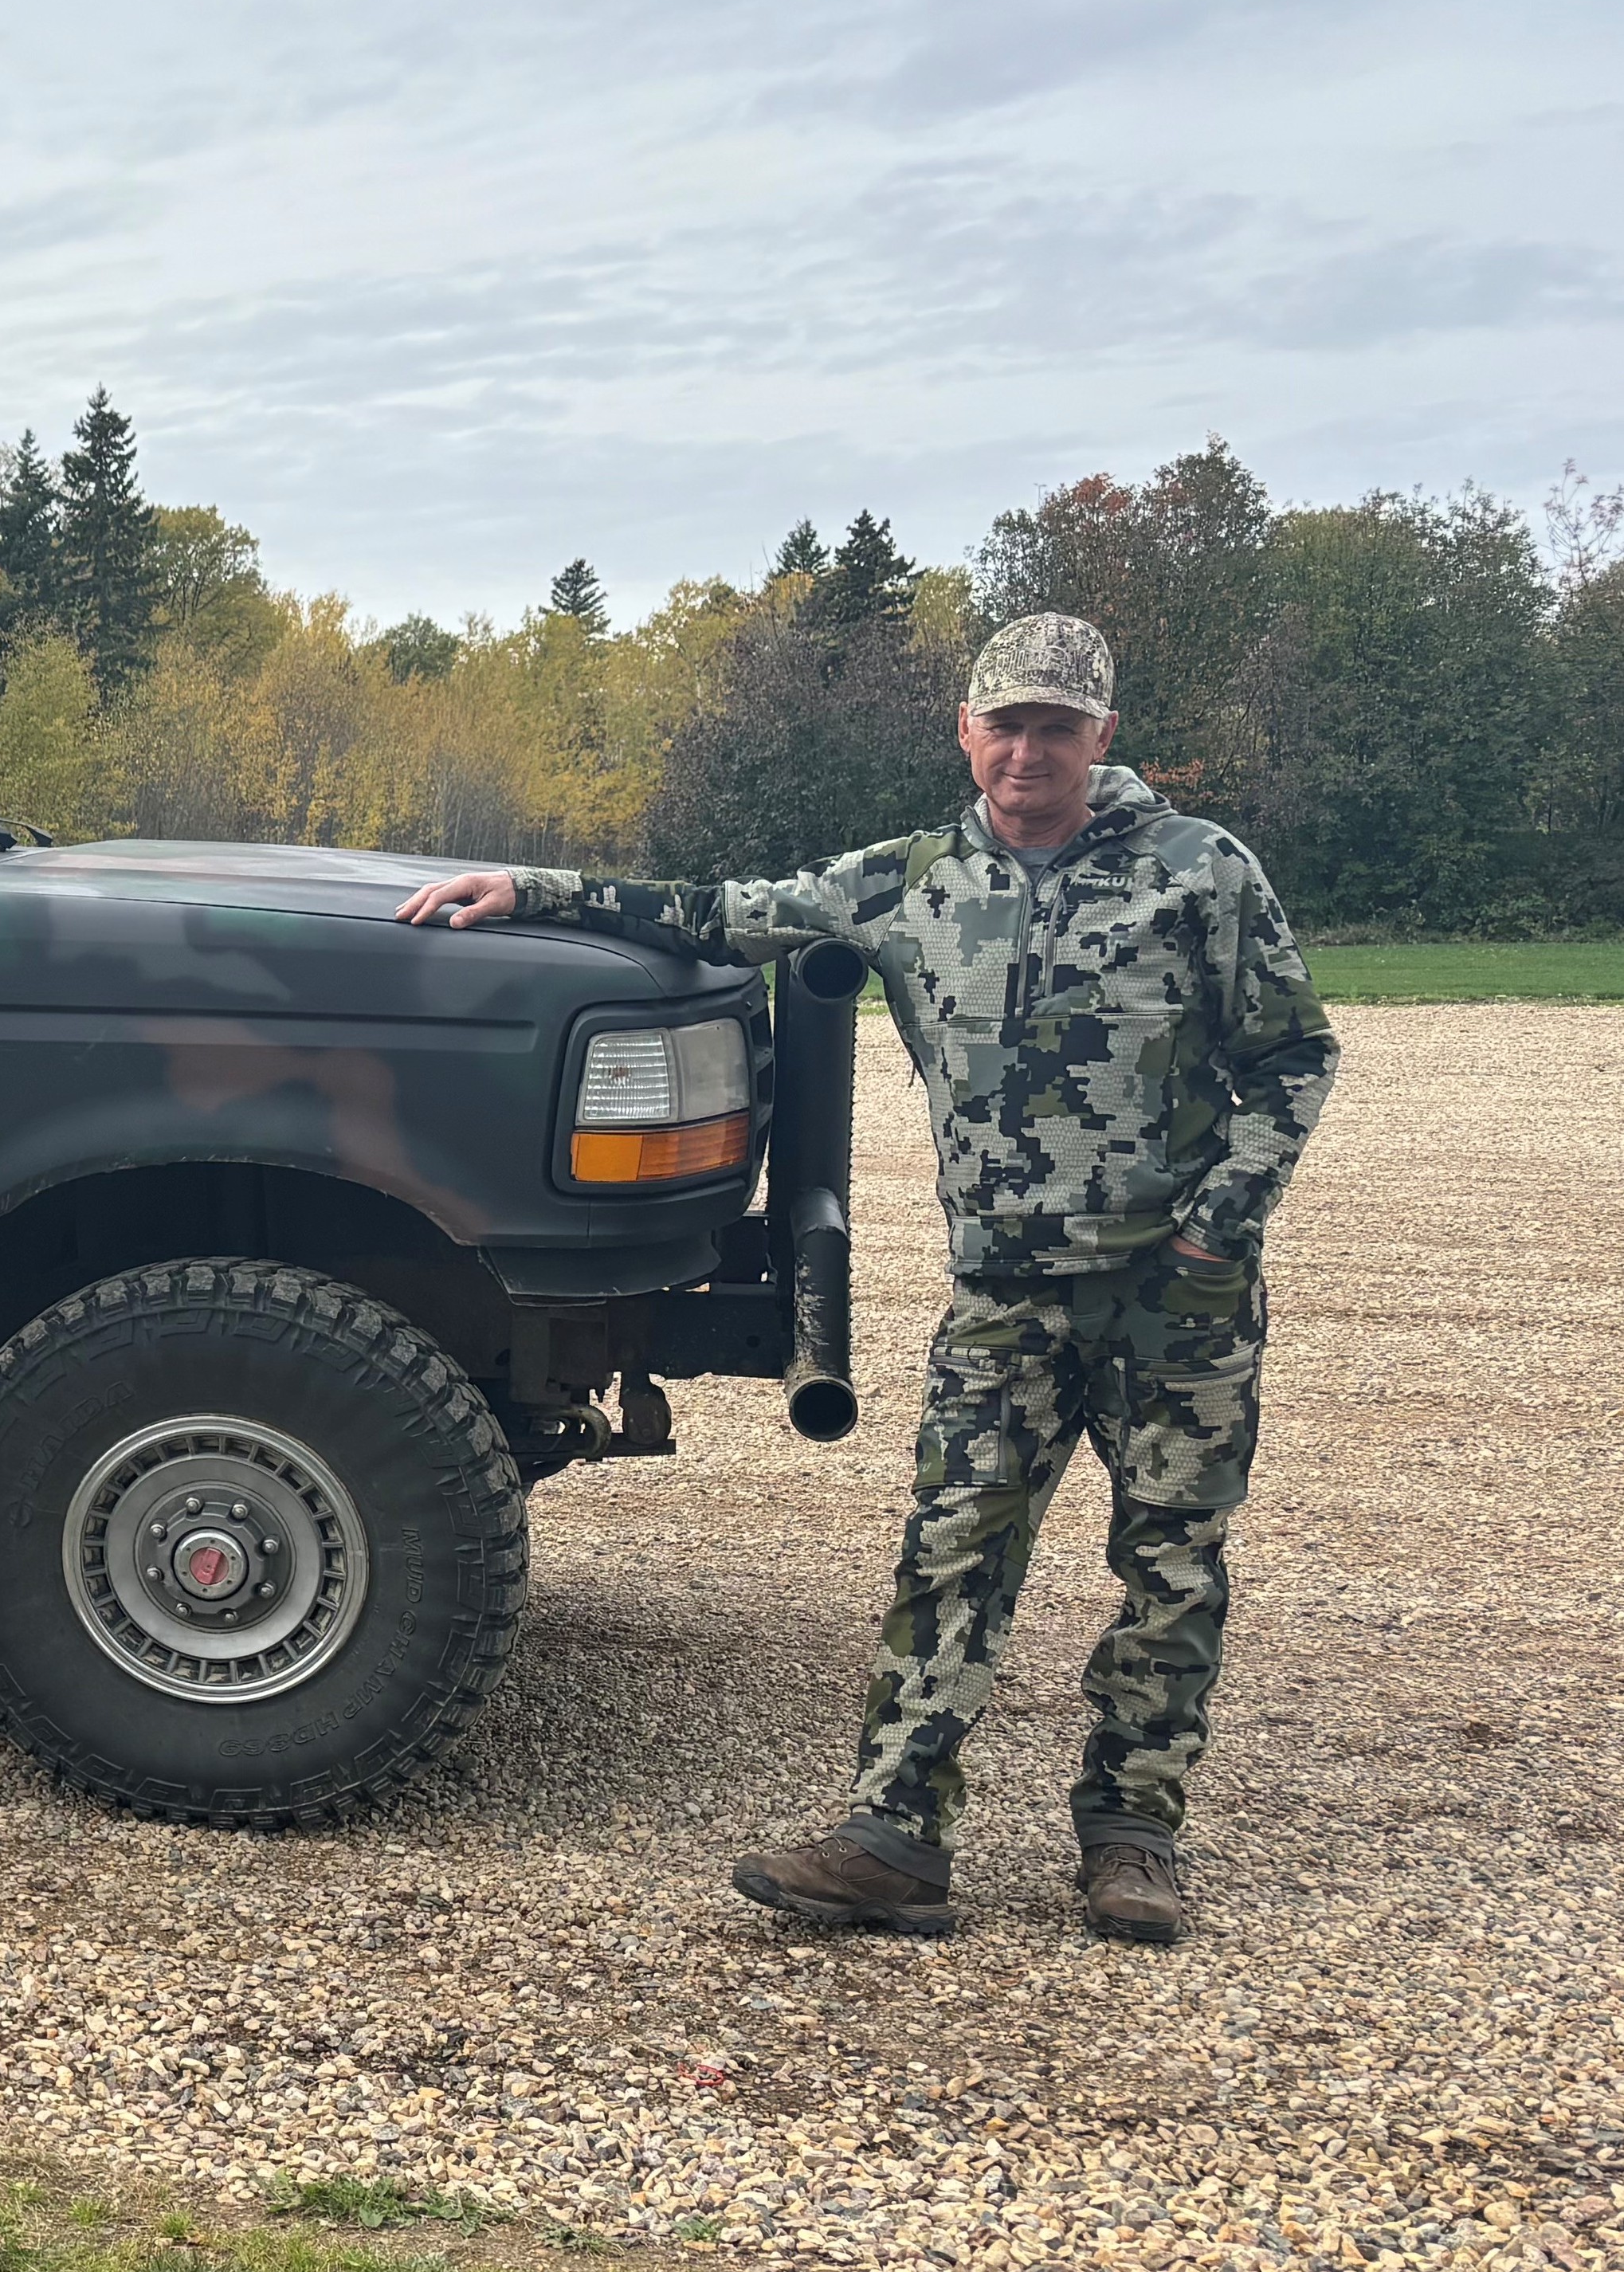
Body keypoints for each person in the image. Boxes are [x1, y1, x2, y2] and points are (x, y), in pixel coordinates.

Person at [399, 612, 1336, 1944]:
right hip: (1006, 1296)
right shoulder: (916, 878)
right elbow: (723, 914)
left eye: (1056, 726)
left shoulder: (1202, 874)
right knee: (951, 1552)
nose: (1027, 749)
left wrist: (1215, 1230)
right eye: (1004, 722)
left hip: (1172, 1298)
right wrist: (533, 893)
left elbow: (1292, 1059)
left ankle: (1133, 1837)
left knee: (1172, 1564)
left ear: (1102, 736)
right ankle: (896, 1838)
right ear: (965, 729)